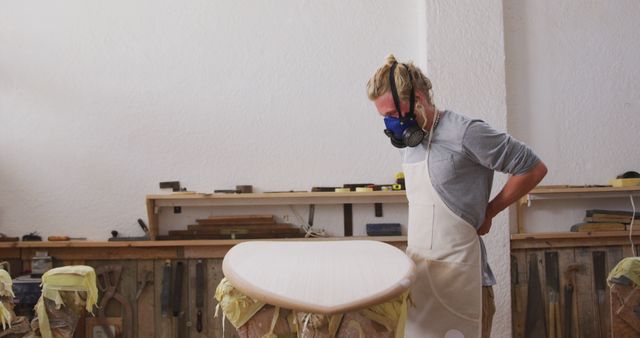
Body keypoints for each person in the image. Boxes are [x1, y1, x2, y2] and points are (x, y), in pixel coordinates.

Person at [366, 55, 547, 338]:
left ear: (419, 100)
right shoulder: (408, 145)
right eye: (383, 117)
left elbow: (532, 168)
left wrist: (490, 211)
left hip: (464, 281)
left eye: (392, 114)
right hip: (421, 281)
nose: (390, 125)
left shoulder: (464, 131)